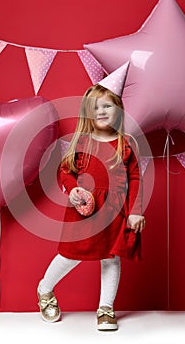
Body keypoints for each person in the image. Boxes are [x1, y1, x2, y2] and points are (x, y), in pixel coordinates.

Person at [37, 62, 146, 331]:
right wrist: (72, 188)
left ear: (118, 110)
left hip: (115, 212)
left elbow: (135, 178)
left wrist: (135, 210)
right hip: (84, 211)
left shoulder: (126, 142)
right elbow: (65, 171)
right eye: (95, 107)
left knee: (111, 257)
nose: (101, 111)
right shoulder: (82, 141)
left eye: (107, 106)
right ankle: (45, 289)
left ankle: (106, 309)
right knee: (70, 255)